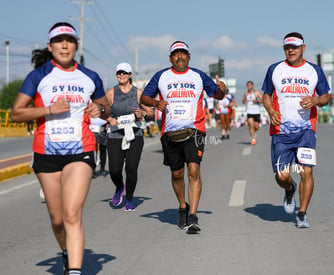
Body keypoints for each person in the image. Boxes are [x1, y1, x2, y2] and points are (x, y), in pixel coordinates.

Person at [11, 22, 110, 275]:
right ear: (50, 46)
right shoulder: (39, 76)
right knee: (57, 220)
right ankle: (66, 253)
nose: (64, 45)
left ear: (76, 45)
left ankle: (75, 271)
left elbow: (106, 108)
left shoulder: (90, 76)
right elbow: (16, 113)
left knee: (71, 213)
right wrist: (48, 110)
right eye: (59, 40)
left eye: (69, 40)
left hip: (81, 151)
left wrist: (101, 110)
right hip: (47, 154)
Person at [141, 41, 226, 232]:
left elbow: (217, 95)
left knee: (194, 171)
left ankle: (193, 216)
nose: (180, 56)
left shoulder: (198, 76)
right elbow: (144, 97)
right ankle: (182, 206)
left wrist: (222, 88)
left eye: (183, 53)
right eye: (176, 54)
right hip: (169, 132)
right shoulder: (162, 76)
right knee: (177, 174)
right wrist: (156, 103)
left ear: (189, 56)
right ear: (171, 58)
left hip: (194, 129)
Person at [261, 32, 330, 228]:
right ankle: (290, 189)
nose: (291, 50)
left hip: (306, 130)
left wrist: (315, 100)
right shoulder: (274, 69)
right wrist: (270, 109)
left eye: (295, 47)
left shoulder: (314, 70)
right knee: (282, 175)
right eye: (287, 47)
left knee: (306, 171)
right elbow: (266, 95)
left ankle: (302, 213)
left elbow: (325, 97)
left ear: (303, 48)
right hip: (280, 132)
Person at [105, 62, 153, 212]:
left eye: (124, 73)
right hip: (115, 133)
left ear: (130, 75)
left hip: (134, 134)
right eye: (119, 73)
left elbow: (151, 112)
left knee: (131, 169)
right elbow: (102, 111)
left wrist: (143, 114)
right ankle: (120, 187)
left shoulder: (138, 93)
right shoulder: (111, 93)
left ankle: (130, 199)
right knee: (114, 170)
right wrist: (109, 119)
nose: (121, 76)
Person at [242, 81, 263, 145]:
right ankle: (253, 139)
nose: (249, 86)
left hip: (256, 112)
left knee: (256, 126)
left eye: (250, 85)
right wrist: (244, 100)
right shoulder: (246, 93)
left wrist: (257, 101)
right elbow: (243, 101)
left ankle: (253, 132)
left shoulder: (256, 93)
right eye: (248, 85)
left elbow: (262, 100)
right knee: (251, 125)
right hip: (249, 111)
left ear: (252, 86)